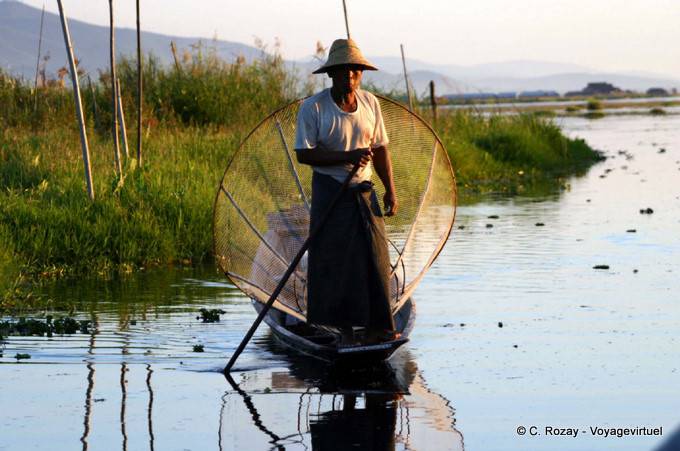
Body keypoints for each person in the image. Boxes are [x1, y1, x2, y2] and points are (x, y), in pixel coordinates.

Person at [294, 38, 399, 344]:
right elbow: (304, 153)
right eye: (343, 72)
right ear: (331, 74)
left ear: (361, 74)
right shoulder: (313, 108)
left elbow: (380, 149)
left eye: (355, 71)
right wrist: (347, 157)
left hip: (364, 189)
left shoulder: (370, 103)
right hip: (330, 191)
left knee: (375, 256)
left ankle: (379, 327)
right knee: (333, 258)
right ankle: (337, 328)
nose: (350, 77)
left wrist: (390, 189)